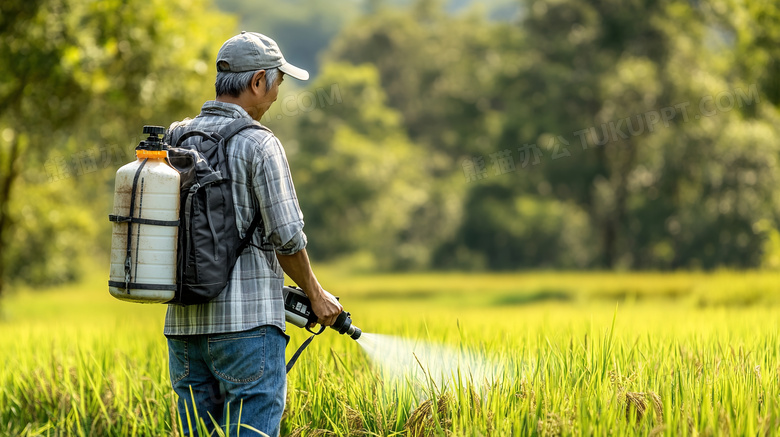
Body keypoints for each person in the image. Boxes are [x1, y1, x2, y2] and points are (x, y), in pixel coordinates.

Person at [163, 31, 343, 437]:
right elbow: (287, 238)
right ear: (258, 81)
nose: (278, 92)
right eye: (278, 81)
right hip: (247, 332)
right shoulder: (259, 144)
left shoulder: (175, 139)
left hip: (183, 330)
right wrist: (315, 294)